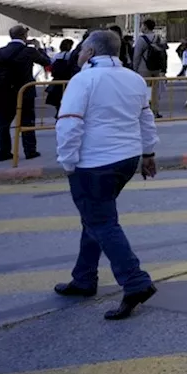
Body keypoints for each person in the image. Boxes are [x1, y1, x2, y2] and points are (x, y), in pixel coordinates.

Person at [52, 28, 159, 320]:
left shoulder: (84, 79)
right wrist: (148, 153)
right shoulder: (134, 78)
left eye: (83, 49)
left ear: (92, 52)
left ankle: (135, 281)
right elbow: (146, 119)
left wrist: (67, 161)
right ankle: (84, 278)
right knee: (95, 218)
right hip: (127, 158)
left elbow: (69, 123)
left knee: (101, 221)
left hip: (94, 162)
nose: (79, 53)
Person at [0, 24, 52, 162]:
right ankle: (30, 150)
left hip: (3, 92)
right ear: (24, 36)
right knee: (27, 122)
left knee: (3, 124)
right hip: (24, 91)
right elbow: (46, 61)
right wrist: (39, 47)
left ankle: (4, 152)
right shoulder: (29, 51)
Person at [131, 19, 168, 119]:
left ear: (145, 27)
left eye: (142, 26)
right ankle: (155, 111)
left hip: (144, 68)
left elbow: (137, 56)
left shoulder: (142, 39)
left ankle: (144, 111)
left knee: (143, 90)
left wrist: (134, 69)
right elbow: (163, 53)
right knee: (155, 91)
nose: (141, 28)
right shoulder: (158, 38)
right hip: (156, 68)